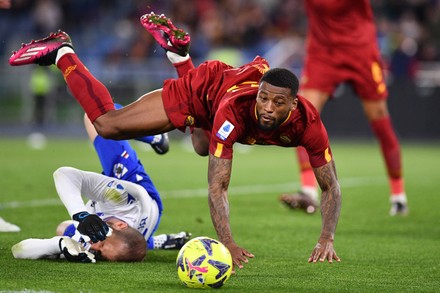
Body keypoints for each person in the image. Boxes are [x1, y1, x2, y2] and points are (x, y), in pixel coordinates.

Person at [9, 12, 342, 268]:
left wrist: (326, 236)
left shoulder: (309, 125)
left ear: (294, 105)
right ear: (257, 94)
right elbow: (217, 186)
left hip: (222, 90)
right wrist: (227, 241)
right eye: (263, 99)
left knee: (199, 146)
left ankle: (180, 56)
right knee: (107, 125)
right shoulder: (236, 113)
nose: (267, 108)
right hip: (203, 93)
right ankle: (62, 51)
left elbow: (330, 186)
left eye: (278, 103)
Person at [280, 0, 408, 216]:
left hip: (360, 51)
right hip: (324, 52)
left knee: (379, 119)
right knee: (301, 115)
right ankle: (308, 191)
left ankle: (398, 196)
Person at [12, 112, 190, 262]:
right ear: (120, 225)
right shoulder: (123, 199)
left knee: (62, 228)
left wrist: (58, 245)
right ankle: (156, 137)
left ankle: (154, 242)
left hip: (136, 228)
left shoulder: (102, 242)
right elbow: (65, 174)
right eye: (102, 244)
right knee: (97, 118)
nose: (95, 246)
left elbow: (19, 250)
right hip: (132, 184)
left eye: (100, 254)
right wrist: (81, 214)